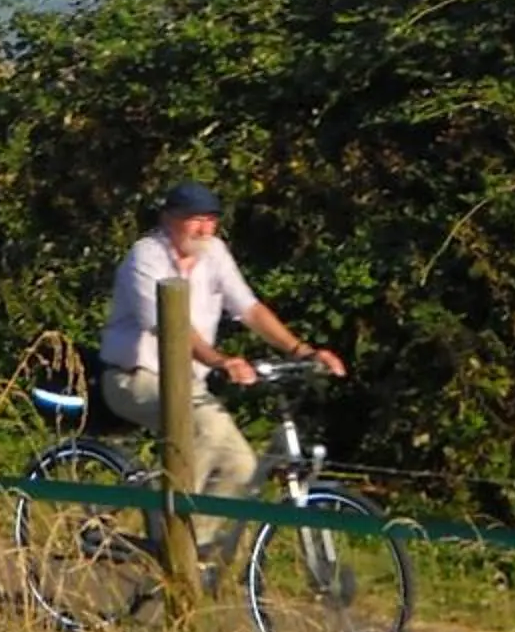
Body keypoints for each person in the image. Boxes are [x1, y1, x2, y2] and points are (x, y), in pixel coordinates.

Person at [96, 180, 344, 505]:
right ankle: (167, 521)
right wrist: (219, 361)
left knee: (241, 468)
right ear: (168, 218)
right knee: (208, 430)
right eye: (194, 219)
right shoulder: (144, 258)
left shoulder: (214, 252)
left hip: (188, 383)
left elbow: (249, 308)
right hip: (134, 378)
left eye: (211, 220)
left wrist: (302, 351)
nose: (204, 230)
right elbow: (171, 329)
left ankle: (199, 536)